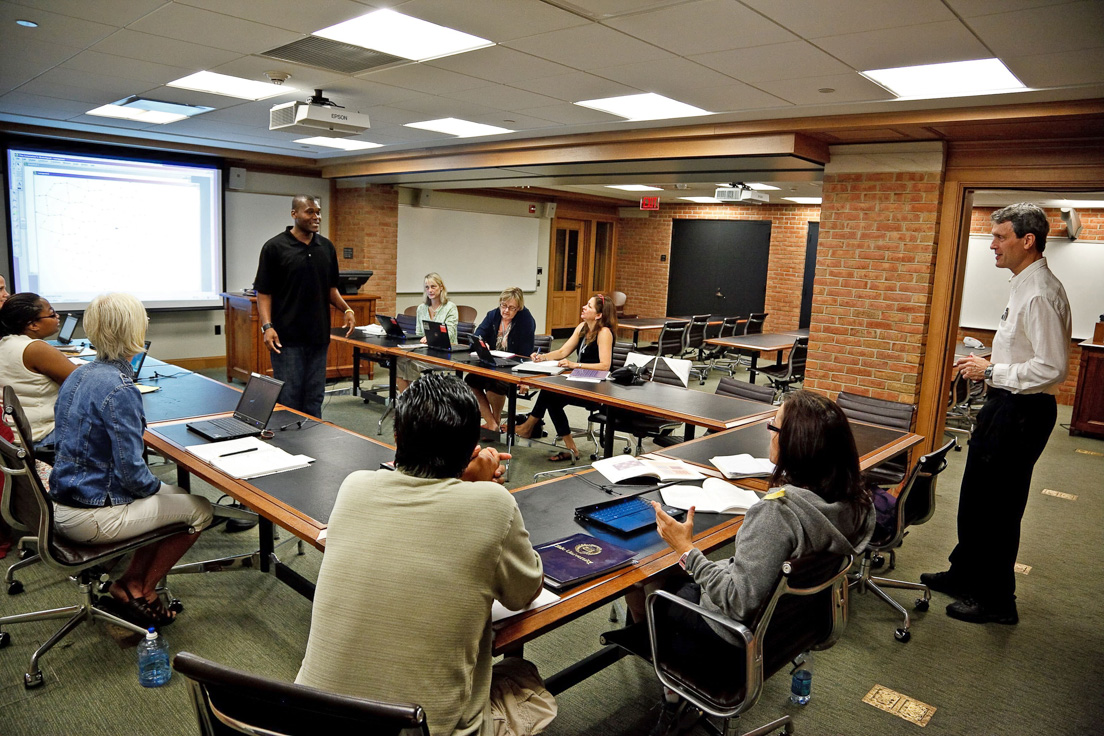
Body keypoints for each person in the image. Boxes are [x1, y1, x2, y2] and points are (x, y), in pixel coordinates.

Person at [296, 372, 554, 736]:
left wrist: (463, 485)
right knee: (526, 681)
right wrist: (477, 487)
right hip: (423, 730)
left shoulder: (353, 487)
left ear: (398, 438)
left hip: (313, 721)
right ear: (472, 448)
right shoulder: (494, 504)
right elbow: (524, 593)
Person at [923, 203, 1071, 625]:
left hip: (1022, 411)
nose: (992, 245)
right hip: (1004, 404)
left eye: (999, 237)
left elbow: (1052, 367)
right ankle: (964, 574)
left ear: (1027, 240)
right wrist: (992, 361)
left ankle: (997, 601)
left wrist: (990, 369)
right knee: (976, 498)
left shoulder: (1040, 291)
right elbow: (1025, 350)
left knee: (999, 508)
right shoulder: (1023, 283)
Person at [647, 390, 875, 638]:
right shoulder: (855, 501)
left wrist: (686, 550)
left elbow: (736, 602)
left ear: (795, 443)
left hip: (731, 635)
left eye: (773, 427)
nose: (769, 433)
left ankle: (666, 660)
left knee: (645, 580)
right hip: (790, 626)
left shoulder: (776, 515)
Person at [48, 293, 213, 628]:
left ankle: (130, 583)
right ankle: (143, 590)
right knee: (200, 509)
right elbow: (134, 475)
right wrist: (159, 489)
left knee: (174, 499)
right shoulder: (120, 389)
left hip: (62, 503)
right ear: (134, 330)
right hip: (91, 516)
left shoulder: (78, 375)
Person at [254, 195, 356, 418]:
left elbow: (330, 289)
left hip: (318, 337)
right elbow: (263, 293)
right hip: (287, 337)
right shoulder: (274, 247)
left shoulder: (326, 247)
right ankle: (288, 445)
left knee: (314, 396)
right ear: (294, 214)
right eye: (310, 212)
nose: (316, 217)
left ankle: (312, 443)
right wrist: (267, 326)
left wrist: (346, 309)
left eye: (318, 212)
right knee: (289, 395)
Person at [515, 294, 616, 462]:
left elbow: (605, 366)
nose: (584, 307)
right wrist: (544, 357)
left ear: (599, 315)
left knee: (550, 395)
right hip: (581, 379)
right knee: (550, 395)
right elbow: (562, 352)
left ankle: (528, 427)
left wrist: (576, 365)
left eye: (589, 306)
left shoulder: (604, 332)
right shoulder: (583, 327)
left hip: (597, 387)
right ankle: (569, 448)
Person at [0, 293, 77, 448]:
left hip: (14, 438)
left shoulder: (6, 343)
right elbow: (84, 383)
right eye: (51, 313)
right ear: (32, 325)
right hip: (41, 437)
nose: (57, 317)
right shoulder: (35, 349)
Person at [466, 287, 536, 433]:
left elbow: (525, 354)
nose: (506, 311)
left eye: (511, 308)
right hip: (492, 364)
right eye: (503, 306)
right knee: (471, 380)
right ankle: (491, 422)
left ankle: (495, 421)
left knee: (495, 383)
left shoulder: (526, 320)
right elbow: (477, 336)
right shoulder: (493, 315)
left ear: (519, 308)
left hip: (512, 369)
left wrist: (525, 379)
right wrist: (481, 344)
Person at [394, 272, 458, 393]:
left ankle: (417, 403)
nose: (430, 290)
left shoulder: (450, 307)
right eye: (427, 287)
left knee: (412, 365)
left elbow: (450, 334)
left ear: (441, 287)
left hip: (444, 353)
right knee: (398, 362)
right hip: (424, 351)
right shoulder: (421, 308)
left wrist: (431, 338)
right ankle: (407, 402)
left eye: (433, 287)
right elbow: (418, 333)